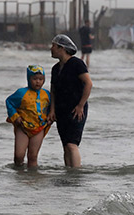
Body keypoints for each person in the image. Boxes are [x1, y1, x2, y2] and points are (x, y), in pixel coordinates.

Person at [47, 34, 92, 168]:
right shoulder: (55, 68)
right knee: (65, 145)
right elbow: (53, 91)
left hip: (76, 109)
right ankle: (68, 173)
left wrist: (80, 105)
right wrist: (52, 110)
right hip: (61, 109)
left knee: (72, 144)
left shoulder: (77, 63)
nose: (51, 48)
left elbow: (88, 84)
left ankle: (76, 174)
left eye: (53, 46)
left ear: (62, 48)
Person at [5, 65, 52, 168]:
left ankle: (32, 178)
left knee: (33, 156)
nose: (38, 82)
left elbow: (51, 108)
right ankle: (19, 174)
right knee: (19, 155)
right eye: (34, 79)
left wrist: (50, 117)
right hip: (23, 127)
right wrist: (15, 116)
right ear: (28, 79)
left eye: (41, 79)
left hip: (39, 128)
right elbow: (9, 102)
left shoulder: (47, 94)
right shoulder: (21, 93)